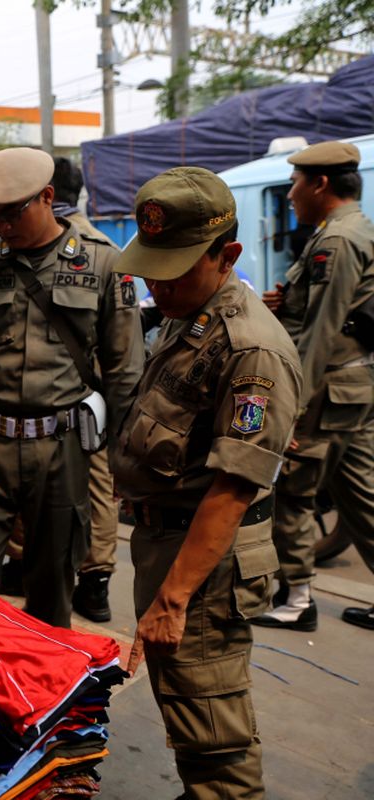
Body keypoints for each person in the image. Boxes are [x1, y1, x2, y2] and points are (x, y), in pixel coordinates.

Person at [111, 167, 301, 800]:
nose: (157, 283)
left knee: (217, 746)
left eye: (177, 267)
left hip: (205, 568)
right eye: (152, 266)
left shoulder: (250, 349)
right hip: (168, 545)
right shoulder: (189, 316)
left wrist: (174, 598)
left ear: (229, 256)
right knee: (190, 721)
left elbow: (234, 489)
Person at [0, 147, 142, 628]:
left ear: (47, 197)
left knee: (52, 585)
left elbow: (124, 371)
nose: (1, 226)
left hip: (61, 449)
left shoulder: (103, 265)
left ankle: (46, 690)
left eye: (11, 212)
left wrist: (127, 461)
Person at [253, 140, 374, 632]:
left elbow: (323, 329)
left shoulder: (337, 240)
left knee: (292, 492)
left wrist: (292, 408)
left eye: (296, 183)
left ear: (320, 183)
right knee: (359, 494)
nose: (290, 195)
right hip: (352, 386)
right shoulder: (348, 230)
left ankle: (297, 597)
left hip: (327, 390)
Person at [50, 155, 124, 623]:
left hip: (70, 395)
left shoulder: (90, 249)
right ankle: (95, 581)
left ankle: (78, 577)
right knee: (98, 486)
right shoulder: (107, 245)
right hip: (95, 395)